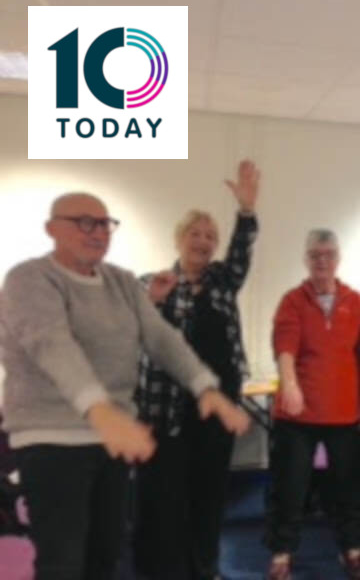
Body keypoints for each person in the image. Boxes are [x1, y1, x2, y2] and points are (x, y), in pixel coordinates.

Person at [0, 192, 250, 580]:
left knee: (105, 555)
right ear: (52, 229)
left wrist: (205, 386)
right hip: (52, 439)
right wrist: (99, 410)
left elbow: (161, 337)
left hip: (113, 440)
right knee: (63, 561)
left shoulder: (120, 281)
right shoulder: (29, 278)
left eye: (104, 223)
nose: (97, 231)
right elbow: (52, 345)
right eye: (84, 222)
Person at [133, 160, 260, 580]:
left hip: (215, 410)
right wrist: (151, 302)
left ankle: (204, 568)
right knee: (164, 499)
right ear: (179, 239)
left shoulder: (224, 281)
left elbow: (242, 253)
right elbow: (127, 330)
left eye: (210, 236)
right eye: (195, 234)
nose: (203, 242)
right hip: (165, 410)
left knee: (208, 496)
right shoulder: (152, 283)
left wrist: (245, 211)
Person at [268, 229, 360, 580]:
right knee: (290, 488)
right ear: (306, 260)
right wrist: (290, 385)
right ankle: (282, 554)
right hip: (297, 413)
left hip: (345, 412)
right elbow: (285, 347)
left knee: (348, 488)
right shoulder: (292, 301)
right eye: (314, 255)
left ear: (338, 259)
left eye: (328, 254)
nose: (321, 261)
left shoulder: (357, 302)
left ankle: (352, 550)